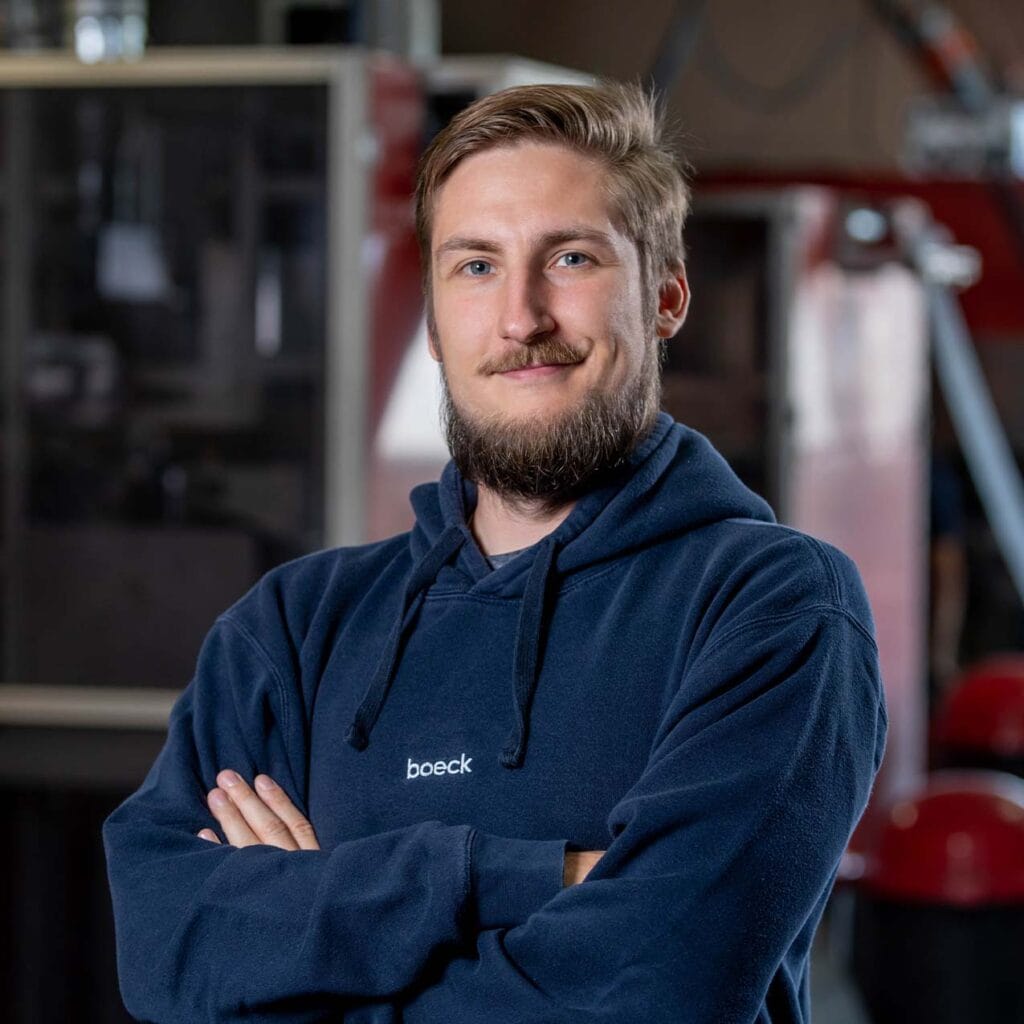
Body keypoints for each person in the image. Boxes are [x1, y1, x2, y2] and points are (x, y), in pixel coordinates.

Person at [104, 81, 887, 1023]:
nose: (522, 318)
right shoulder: (294, 628)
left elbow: (652, 994)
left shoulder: (773, 608)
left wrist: (307, 935)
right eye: (476, 266)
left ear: (666, 296)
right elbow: (167, 950)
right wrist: (526, 876)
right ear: (434, 321)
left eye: (570, 258)